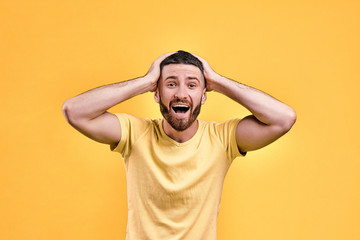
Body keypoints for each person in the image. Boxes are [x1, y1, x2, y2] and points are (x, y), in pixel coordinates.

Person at [62, 50, 296, 240]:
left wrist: (217, 81)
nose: (181, 94)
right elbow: (74, 111)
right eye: (171, 84)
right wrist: (145, 82)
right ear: (157, 92)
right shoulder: (135, 134)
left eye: (192, 85)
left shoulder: (222, 139)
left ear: (204, 95)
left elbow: (284, 118)